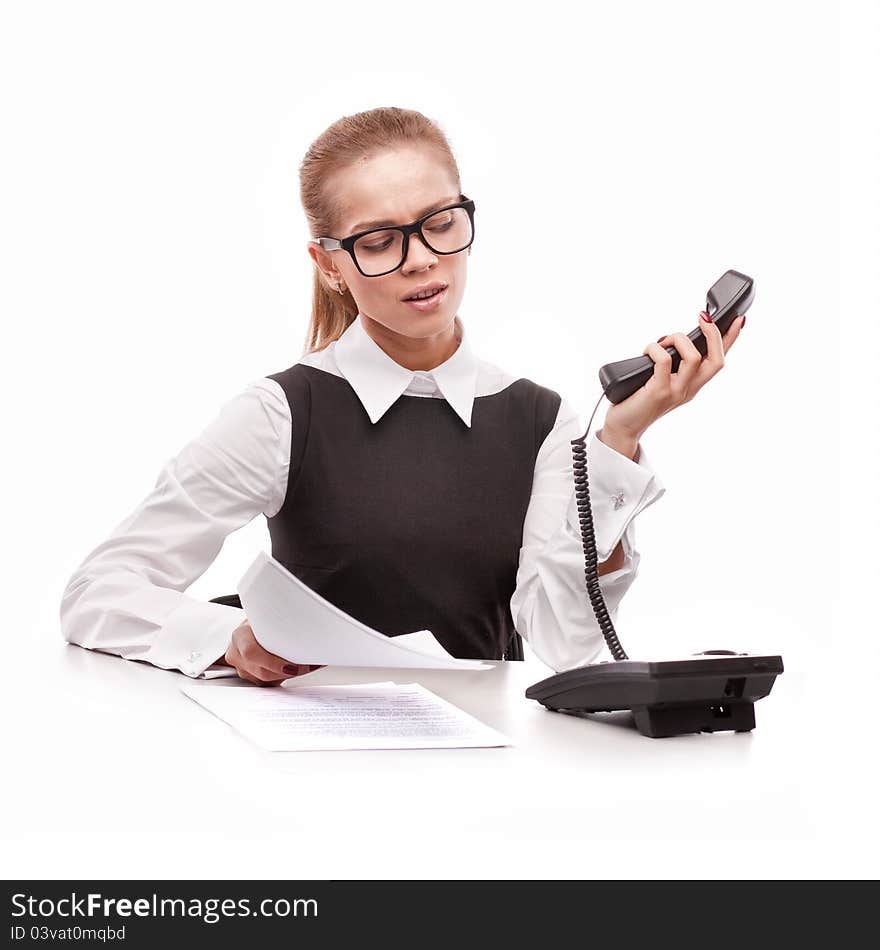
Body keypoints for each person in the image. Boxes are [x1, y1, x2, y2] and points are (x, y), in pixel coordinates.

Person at [59, 106, 745, 687]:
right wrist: (228, 636)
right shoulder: (283, 414)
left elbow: (563, 645)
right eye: (380, 241)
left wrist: (618, 440)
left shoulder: (541, 421)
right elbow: (98, 590)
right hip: (308, 771)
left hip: (488, 774)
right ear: (330, 264)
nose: (420, 259)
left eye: (440, 223)